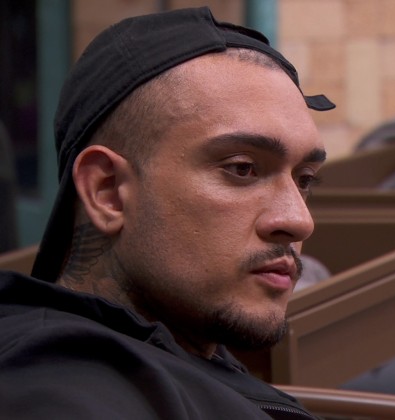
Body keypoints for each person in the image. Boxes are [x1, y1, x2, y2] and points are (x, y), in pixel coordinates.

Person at [0, 7, 335, 419]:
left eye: (305, 179)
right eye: (242, 169)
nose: (300, 221)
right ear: (108, 191)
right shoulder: (58, 391)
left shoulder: (184, 346)